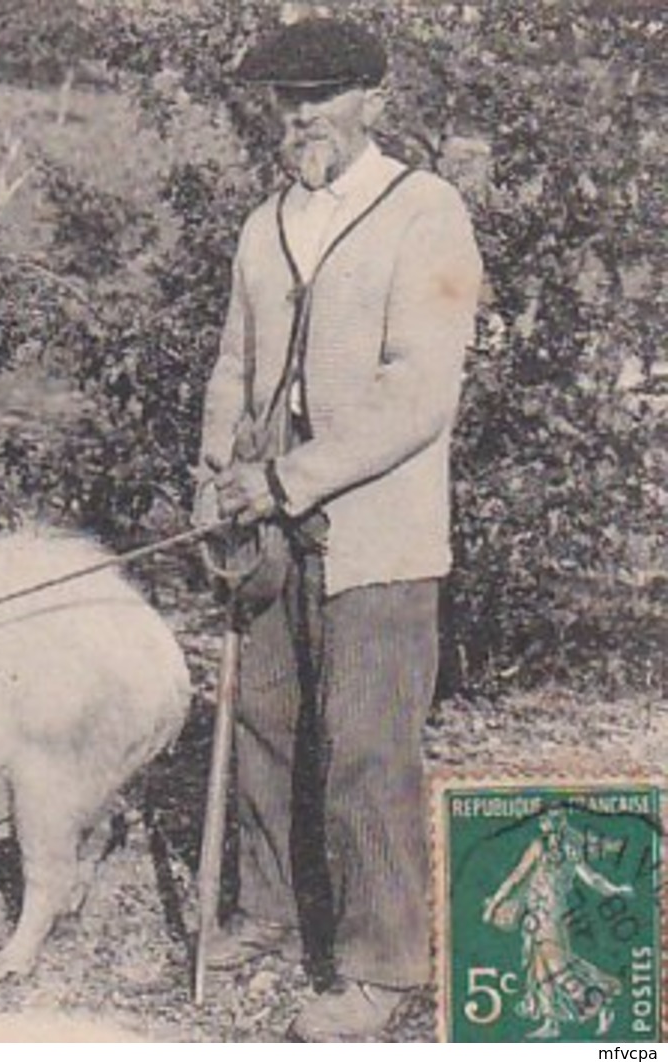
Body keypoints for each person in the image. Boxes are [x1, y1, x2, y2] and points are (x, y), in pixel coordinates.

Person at [193, 18, 482, 1041]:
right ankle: (268, 914)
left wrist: (289, 477)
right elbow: (232, 366)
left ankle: (381, 964)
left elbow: (418, 395)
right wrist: (211, 485)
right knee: (264, 726)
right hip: (264, 527)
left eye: (321, 93)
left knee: (365, 749)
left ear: (374, 98)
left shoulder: (423, 213)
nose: (301, 114)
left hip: (376, 532)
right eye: (285, 99)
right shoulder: (266, 220)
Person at [482, 807, 632, 1039]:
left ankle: (601, 1005)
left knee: (559, 968)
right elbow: (518, 877)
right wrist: (495, 904)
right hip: (536, 916)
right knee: (540, 970)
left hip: (550, 917)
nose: (545, 824)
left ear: (556, 824)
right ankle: (551, 1023)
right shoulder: (541, 847)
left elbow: (590, 877)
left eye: (549, 820)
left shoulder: (565, 850)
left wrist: (615, 890)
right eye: (545, 820)